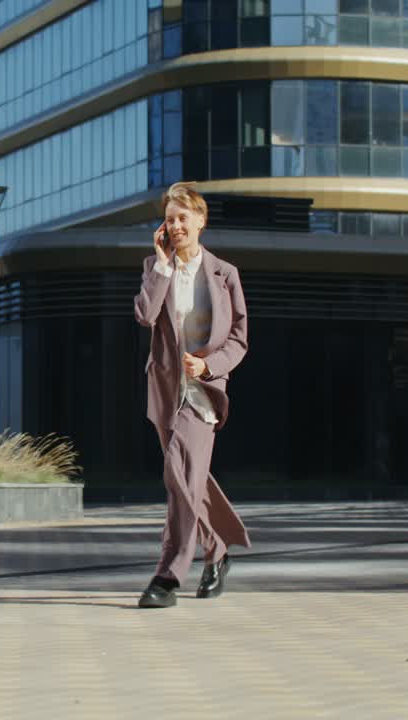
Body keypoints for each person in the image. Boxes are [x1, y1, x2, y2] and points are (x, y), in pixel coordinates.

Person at [133, 181, 251, 609]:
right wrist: (162, 266)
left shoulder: (225, 275)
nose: (177, 225)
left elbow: (238, 340)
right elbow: (145, 315)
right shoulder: (156, 267)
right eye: (169, 219)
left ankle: (168, 576)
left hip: (201, 395)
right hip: (165, 392)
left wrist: (209, 366)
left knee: (178, 476)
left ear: (201, 221)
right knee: (188, 479)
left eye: (183, 218)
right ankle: (216, 552)